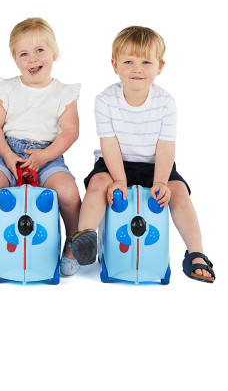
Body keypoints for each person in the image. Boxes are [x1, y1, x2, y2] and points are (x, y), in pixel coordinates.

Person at [71, 26, 215, 282]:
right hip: (115, 162)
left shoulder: (166, 102)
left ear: (159, 67)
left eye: (146, 62)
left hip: (154, 164)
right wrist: (119, 179)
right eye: (129, 62)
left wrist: (161, 181)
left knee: (179, 191)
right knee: (98, 184)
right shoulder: (105, 100)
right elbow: (109, 144)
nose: (137, 69)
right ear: (115, 65)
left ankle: (196, 252)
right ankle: (85, 236)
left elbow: (166, 146)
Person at [0, 17, 82, 285]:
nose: (32, 59)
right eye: (24, 54)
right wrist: (7, 155)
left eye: (40, 50)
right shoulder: (7, 88)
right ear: (15, 59)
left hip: (48, 154)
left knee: (68, 192)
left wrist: (46, 156)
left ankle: (73, 242)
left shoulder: (63, 92)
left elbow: (70, 131)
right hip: (7, 151)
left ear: (54, 52)